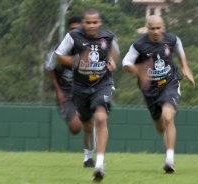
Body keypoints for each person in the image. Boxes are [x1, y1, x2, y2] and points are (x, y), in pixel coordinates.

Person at [122, 15, 195, 173]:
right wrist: (139, 70)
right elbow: (125, 63)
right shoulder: (139, 45)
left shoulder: (172, 40)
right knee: (160, 126)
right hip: (150, 90)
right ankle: (167, 141)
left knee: (168, 116)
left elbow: (180, 52)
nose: (155, 31)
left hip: (170, 83)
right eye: (152, 28)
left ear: (163, 27)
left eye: (158, 28)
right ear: (147, 28)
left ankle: (170, 160)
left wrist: (185, 67)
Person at [55, 8, 119, 181]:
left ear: (100, 22)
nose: (91, 26)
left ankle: (99, 164)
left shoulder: (108, 37)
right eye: (88, 22)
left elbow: (113, 55)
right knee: (88, 125)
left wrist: (112, 62)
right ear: (83, 23)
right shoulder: (74, 36)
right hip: (80, 87)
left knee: (100, 118)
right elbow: (59, 55)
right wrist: (76, 61)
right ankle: (88, 154)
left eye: (95, 22)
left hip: (102, 84)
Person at [45, 16, 96, 168]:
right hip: (67, 92)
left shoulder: (92, 47)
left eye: (78, 28)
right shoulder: (59, 48)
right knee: (75, 128)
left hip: (86, 90)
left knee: (89, 124)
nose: (76, 31)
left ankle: (88, 157)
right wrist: (58, 90)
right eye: (72, 29)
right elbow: (50, 68)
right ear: (68, 30)